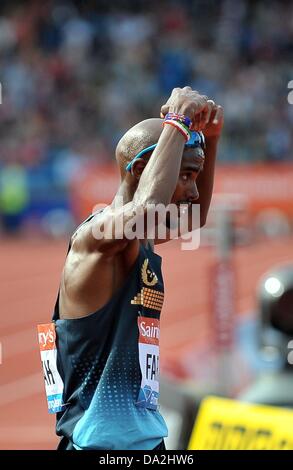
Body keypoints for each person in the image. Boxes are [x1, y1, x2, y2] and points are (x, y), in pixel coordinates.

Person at [52, 86, 224, 450]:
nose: (193, 191)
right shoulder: (97, 237)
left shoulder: (139, 238)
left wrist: (211, 137)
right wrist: (176, 120)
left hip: (144, 440)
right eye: (186, 175)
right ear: (144, 171)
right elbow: (144, 211)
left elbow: (194, 216)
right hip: (99, 444)